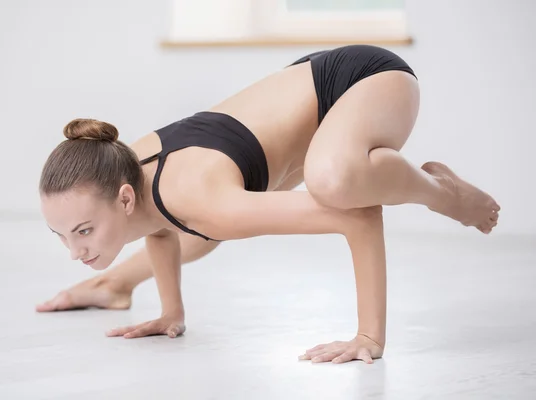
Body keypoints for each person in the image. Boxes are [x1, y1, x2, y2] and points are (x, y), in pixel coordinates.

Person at [37, 45, 500, 365]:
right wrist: (171, 313)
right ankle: (115, 286)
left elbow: (357, 217)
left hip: (368, 78)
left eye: (83, 231)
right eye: (61, 235)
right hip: (309, 106)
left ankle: (444, 193)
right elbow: (157, 224)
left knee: (335, 185)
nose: (74, 251)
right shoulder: (117, 167)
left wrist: (369, 337)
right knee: (204, 228)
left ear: (122, 199)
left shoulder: (203, 201)